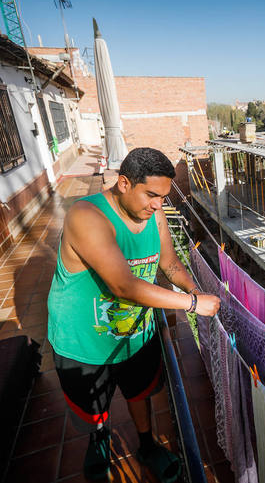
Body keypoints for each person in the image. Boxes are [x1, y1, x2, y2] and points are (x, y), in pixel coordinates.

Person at [47, 147, 220, 481]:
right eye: (152, 195)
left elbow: (168, 263)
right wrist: (193, 305)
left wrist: (192, 289)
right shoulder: (86, 216)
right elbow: (123, 286)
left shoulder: (153, 214)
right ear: (123, 183)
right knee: (95, 403)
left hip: (134, 334)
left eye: (163, 197)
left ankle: (146, 444)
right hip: (84, 337)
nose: (159, 204)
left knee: (139, 390)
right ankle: (99, 440)